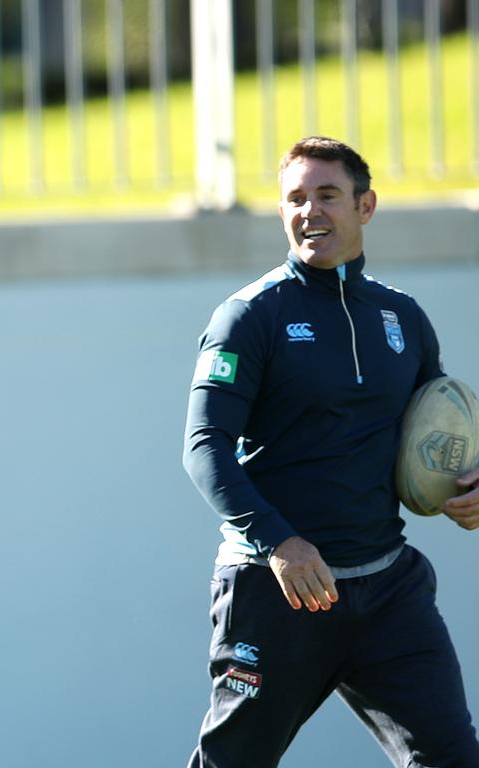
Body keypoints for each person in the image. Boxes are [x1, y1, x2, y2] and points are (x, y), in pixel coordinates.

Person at [182, 136, 479, 767]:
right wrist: (279, 543)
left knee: (452, 759)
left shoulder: (402, 318)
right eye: (294, 198)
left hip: (387, 591)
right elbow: (203, 446)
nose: (309, 211)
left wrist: (471, 483)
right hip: (279, 591)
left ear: (366, 205)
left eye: (327, 195)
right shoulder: (249, 316)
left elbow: (437, 437)